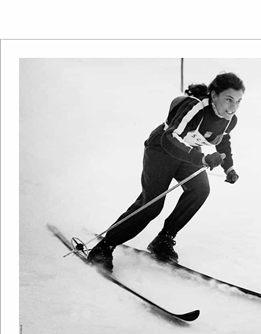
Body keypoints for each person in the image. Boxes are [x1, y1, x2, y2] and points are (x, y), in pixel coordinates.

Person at [87, 72, 245, 272]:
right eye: (228, 99)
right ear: (214, 96)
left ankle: (164, 239)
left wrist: (228, 167)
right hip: (161, 150)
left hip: (188, 153)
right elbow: (169, 138)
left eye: (238, 101)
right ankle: (104, 247)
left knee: (200, 190)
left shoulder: (230, 119)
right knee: (152, 205)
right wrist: (202, 159)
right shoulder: (195, 108)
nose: (233, 107)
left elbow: (223, 139)